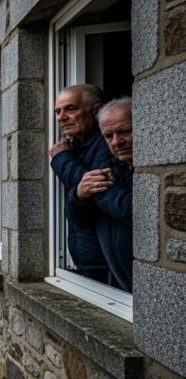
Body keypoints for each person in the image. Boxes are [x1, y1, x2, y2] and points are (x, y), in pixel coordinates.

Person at [68, 98, 133, 292]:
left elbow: (139, 211)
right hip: (119, 287)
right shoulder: (112, 167)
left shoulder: (153, 172)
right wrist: (79, 195)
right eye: (108, 135)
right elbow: (82, 222)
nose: (117, 141)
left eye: (124, 131)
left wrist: (98, 191)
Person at [48, 84, 109, 281]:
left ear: (97, 111)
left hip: (106, 259)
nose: (61, 117)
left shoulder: (108, 142)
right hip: (86, 257)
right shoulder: (75, 145)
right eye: (58, 111)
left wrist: (61, 159)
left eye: (70, 109)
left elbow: (95, 189)